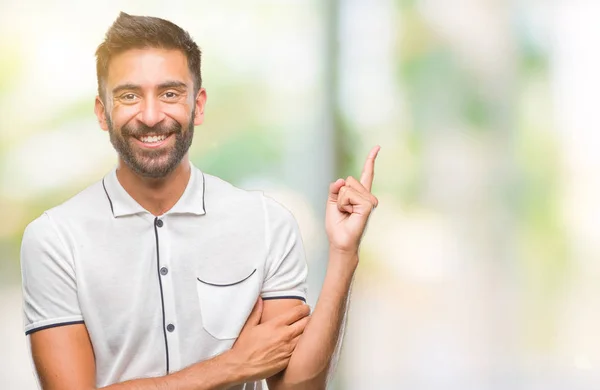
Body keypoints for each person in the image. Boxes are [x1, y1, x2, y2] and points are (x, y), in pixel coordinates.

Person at [20, 12, 379, 390]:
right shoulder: (54, 238)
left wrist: (344, 254)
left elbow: (298, 387)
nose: (152, 115)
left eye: (170, 93)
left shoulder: (266, 222)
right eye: (129, 95)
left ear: (199, 105)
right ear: (102, 113)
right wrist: (231, 366)